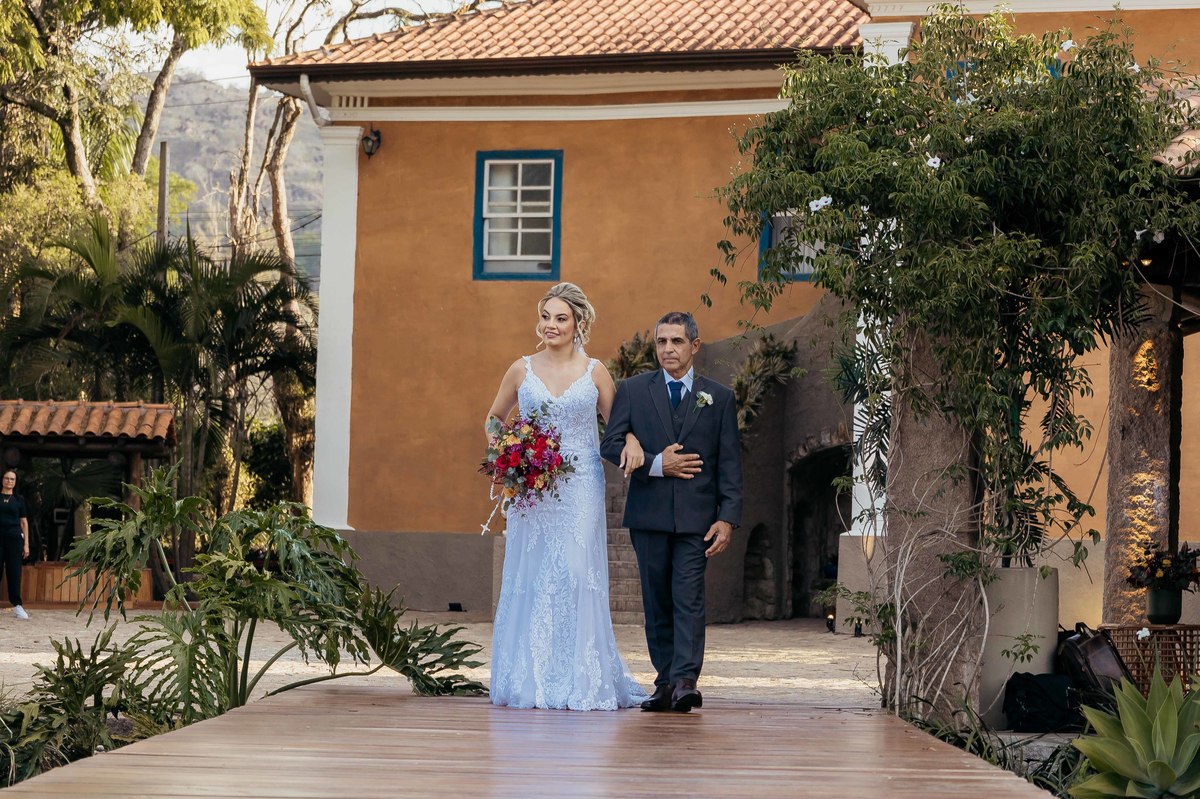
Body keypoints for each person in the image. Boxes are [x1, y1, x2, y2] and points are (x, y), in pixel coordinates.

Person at [484, 282, 648, 710]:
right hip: (532, 488)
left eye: (561, 318)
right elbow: (494, 417)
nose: (551, 325)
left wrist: (631, 441)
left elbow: (617, 424)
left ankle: (580, 679)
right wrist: (507, 453)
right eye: (545, 317)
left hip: (580, 488)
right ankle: (530, 678)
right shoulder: (521, 369)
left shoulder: (595, 372)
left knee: (576, 573)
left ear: (579, 323)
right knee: (531, 573)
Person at [600, 311, 742, 712]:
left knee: (689, 598)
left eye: (676, 342)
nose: (668, 350)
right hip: (649, 516)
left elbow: (729, 463)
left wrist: (728, 517)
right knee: (656, 600)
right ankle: (664, 681)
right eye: (661, 342)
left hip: (698, 519)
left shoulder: (719, 397)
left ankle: (684, 681)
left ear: (694, 346)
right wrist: (655, 462)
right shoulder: (632, 390)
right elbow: (610, 445)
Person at [0, 469, 30, 620]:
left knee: (14, 571)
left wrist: (26, 545)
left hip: (14, 538)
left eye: (12, 479)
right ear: (2, 480)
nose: (9, 481)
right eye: (7, 478)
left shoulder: (19, 499)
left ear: (15, 482)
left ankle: (17, 606)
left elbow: (24, 522)